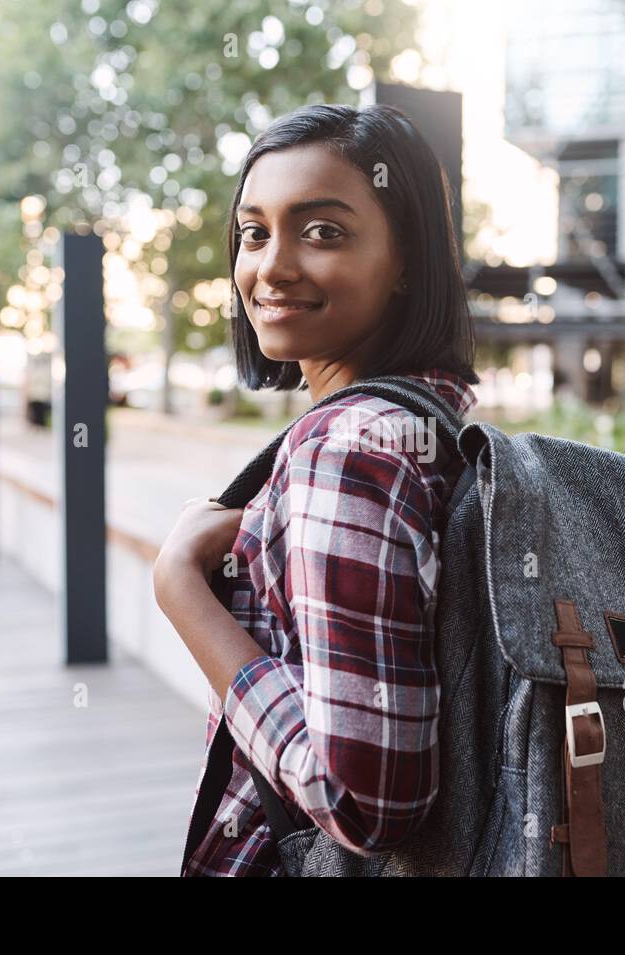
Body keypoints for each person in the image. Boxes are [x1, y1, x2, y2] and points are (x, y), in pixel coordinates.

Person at [152, 103, 479, 875]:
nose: (272, 267)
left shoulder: (349, 448)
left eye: (323, 231)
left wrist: (180, 591)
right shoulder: (437, 419)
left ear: (405, 258)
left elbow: (365, 799)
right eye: (254, 232)